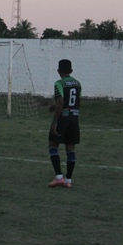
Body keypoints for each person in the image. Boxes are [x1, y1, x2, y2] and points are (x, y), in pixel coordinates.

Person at [47, 59, 82, 189]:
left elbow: (61, 101)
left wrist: (54, 122)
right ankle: (68, 180)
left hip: (63, 118)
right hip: (74, 118)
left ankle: (59, 177)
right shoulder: (78, 84)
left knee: (53, 144)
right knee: (70, 148)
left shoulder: (59, 83)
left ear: (58, 71)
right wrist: (56, 106)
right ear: (71, 70)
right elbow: (77, 101)